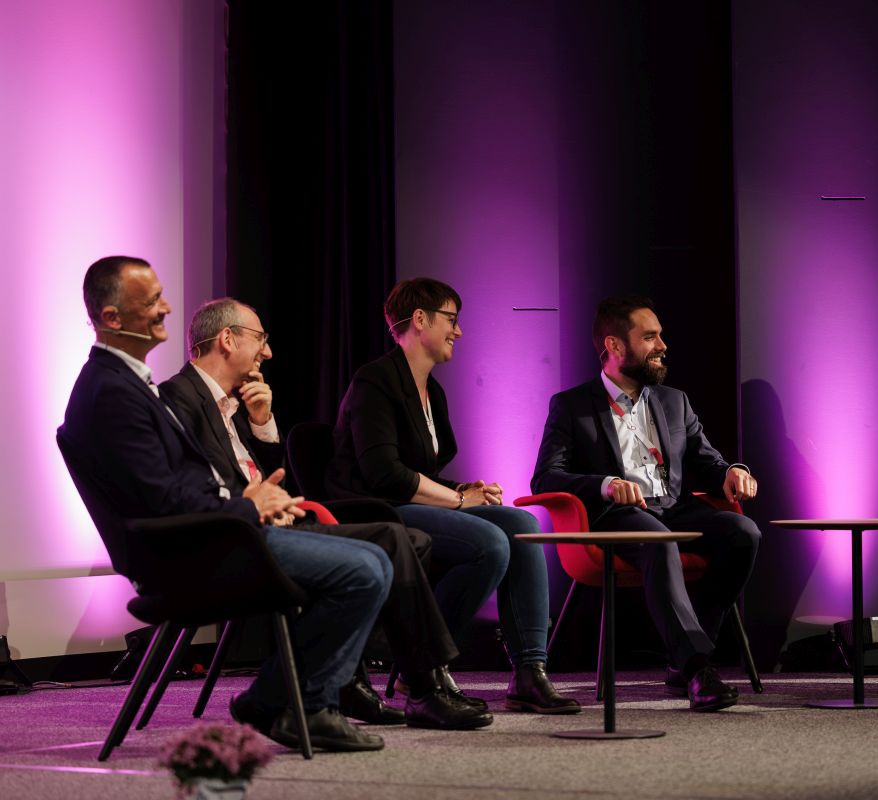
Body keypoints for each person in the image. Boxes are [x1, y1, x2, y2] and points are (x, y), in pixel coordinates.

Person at [60, 256, 391, 752]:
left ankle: (283, 700)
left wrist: (248, 501)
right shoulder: (111, 392)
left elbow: (176, 485)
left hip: (211, 538)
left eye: (160, 296)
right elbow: (163, 500)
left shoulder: (128, 384)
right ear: (112, 318)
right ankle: (299, 703)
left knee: (377, 558)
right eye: (151, 301)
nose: (166, 308)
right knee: (363, 570)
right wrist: (246, 507)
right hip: (188, 557)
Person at [159, 297, 490, 731]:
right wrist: (249, 502)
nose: (268, 352)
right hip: (235, 540)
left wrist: (262, 424)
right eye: (260, 339)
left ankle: (367, 677)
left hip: (270, 525)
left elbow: (270, 476)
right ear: (227, 339)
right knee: (393, 540)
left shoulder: (232, 403)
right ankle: (421, 686)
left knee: (410, 540)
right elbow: (194, 490)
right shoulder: (177, 400)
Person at [327, 278, 580, 714]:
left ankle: (529, 671)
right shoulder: (375, 380)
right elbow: (384, 473)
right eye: (451, 319)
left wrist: (465, 490)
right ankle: (421, 664)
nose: (458, 331)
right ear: (420, 320)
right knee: (488, 543)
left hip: (409, 502)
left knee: (520, 524)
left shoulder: (433, 391)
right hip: (375, 510)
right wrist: (460, 502)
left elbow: (425, 471)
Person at [531, 294, 762, 712]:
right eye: (650, 337)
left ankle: (685, 654)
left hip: (671, 507)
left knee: (742, 533)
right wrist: (605, 484)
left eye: (660, 336)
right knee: (658, 541)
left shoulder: (675, 401)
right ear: (616, 347)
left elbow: (707, 461)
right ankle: (697, 668)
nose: (663, 345)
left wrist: (732, 471)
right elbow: (546, 475)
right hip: (616, 517)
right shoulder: (571, 406)